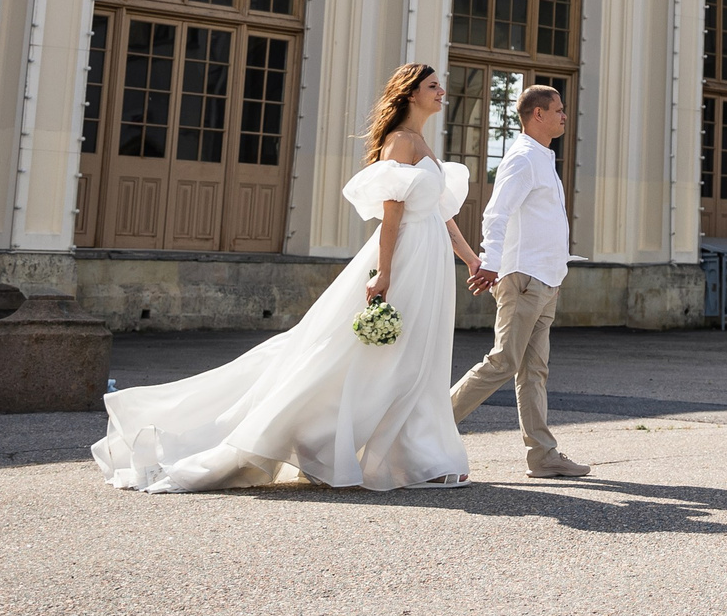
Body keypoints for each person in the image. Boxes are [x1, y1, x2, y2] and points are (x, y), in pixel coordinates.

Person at [90, 64, 482, 493]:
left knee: (422, 356)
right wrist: (384, 273)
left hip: (430, 261)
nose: (442, 91)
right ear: (410, 94)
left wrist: (470, 259)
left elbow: (441, 213)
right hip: (406, 258)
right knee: (386, 356)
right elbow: (392, 217)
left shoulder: (422, 143)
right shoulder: (400, 143)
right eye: (432, 85)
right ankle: (361, 447)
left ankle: (421, 455)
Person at [449, 83, 589, 478]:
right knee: (503, 361)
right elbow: (497, 213)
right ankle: (430, 425)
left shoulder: (543, 158)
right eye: (558, 109)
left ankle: (543, 455)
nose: (564, 115)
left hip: (546, 280)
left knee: (534, 370)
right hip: (523, 279)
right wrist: (490, 262)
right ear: (538, 115)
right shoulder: (524, 158)